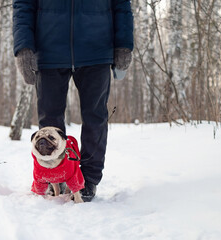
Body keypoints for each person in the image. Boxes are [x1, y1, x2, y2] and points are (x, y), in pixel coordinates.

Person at [13, 0, 134, 202]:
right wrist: (23, 47)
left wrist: (123, 44)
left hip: (97, 49)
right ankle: (55, 176)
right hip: (49, 49)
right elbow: (23, 5)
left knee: (95, 118)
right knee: (50, 120)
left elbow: (121, 4)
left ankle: (88, 180)